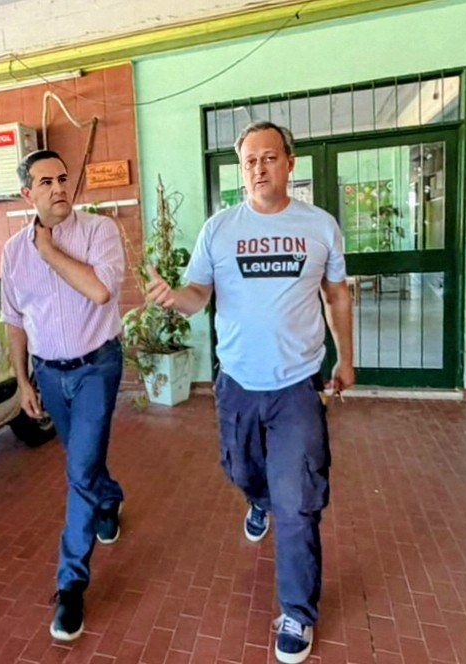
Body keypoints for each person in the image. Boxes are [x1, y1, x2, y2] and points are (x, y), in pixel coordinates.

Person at [146, 121, 354, 664]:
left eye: (268, 158)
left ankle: (297, 612)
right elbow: (198, 294)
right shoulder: (219, 229)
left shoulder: (320, 226)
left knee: (298, 501)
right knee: (241, 470)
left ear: (290, 162)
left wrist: (346, 358)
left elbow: (336, 295)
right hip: (237, 382)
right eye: (249, 161)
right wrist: (174, 299)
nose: (259, 168)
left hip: (298, 385)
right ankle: (258, 500)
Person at [0, 149, 125, 642]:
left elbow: (99, 291)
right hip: (50, 375)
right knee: (83, 461)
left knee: (79, 471)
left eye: (62, 179)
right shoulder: (13, 252)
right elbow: (14, 319)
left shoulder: (99, 231)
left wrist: (48, 250)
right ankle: (109, 500)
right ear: (26, 194)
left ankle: (71, 584)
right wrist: (22, 380)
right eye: (45, 182)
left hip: (97, 367)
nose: (58, 189)